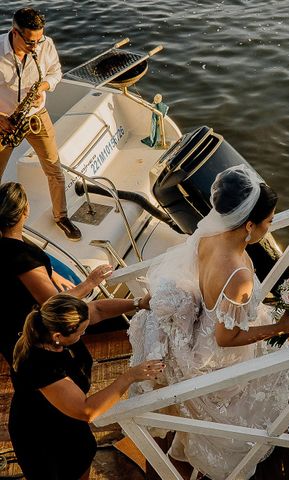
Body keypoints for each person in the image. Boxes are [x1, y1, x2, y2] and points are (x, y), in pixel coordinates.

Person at [129, 165, 289, 479]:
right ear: (249, 224)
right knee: (273, 366)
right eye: (270, 221)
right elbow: (225, 338)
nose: (271, 226)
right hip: (216, 352)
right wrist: (281, 327)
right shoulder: (239, 274)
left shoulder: (209, 236)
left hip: (199, 327)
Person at [10, 294, 165, 480]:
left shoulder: (52, 323)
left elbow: (97, 309)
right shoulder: (41, 366)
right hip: (44, 435)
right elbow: (87, 410)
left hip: (71, 424)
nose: (84, 333)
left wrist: (137, 302)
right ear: (58, 336)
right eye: (81, 332)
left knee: (82, 459)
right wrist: (129, 376)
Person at [0, 181, 143, 370]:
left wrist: (52, 274)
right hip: (40, 341)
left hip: (14, 332)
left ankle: (140, 303)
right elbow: (54, 303)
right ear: (25, 210)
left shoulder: (10, 248)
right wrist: (90, 283)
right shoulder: (21, 256)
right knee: (73, 374)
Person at [0, 7, 81, 241]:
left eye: (39, 40)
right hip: (5, 121)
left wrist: (43, 87)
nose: (36, 47)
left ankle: (62, 217)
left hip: (36, 115)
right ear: (15, 33)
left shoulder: (46, 44)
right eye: (30, 42)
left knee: (54, 170)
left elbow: (55, 72)